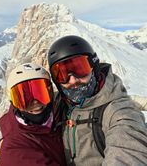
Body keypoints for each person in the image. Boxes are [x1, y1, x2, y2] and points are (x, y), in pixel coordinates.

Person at [48, 35, 147, 166]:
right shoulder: (59, 104)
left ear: (94, 67)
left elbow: (128, 151)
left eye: (80, 69)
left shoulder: (119, 112)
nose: (73, 80)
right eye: (62, 74)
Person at [0, 63, 66, 166]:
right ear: (13, 103)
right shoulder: (14, 150)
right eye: (24, 98)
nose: (35, 102)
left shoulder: (56, 115)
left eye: (41, 93)